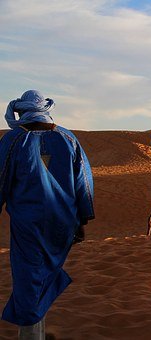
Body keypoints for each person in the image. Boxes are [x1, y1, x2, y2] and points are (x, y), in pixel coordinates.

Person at [0, 90, 95, 339]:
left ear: (23, 110)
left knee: (29, 278)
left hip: (27, 224)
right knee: (41, 274)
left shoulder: (12, 141)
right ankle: (37, 332)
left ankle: (31, 335)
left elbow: (0, 180)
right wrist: (82, 220)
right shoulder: (68, 139)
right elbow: (83, 183)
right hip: (62, 224)